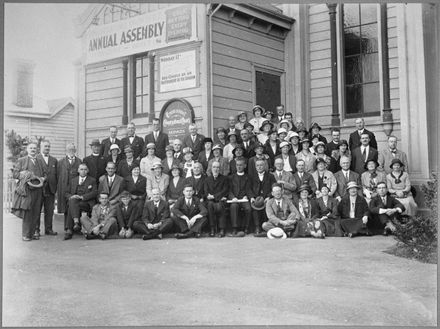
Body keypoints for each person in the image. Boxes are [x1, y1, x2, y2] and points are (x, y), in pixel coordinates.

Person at [12, 142, 47, 241]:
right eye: (31, 148)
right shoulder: (22, 160)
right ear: (27, 149)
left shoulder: (40, 161)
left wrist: (43, 178)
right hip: (27, 191)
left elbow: (45, 174)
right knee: (27, 212)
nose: (33, 150)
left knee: (36, 212)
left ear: (37, 150)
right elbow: (15, 174)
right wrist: (24, 175)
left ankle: (32, 234)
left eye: (34, 148)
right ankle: (26, 234)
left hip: (38, 190)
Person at [63, 163, 98, 240]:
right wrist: (71, 196)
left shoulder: (92, 180)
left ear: (88, 171)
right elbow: (66, 193)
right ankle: (75, 224)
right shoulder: (73, 180)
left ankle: (70, 228)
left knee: (72, 204)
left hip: (86, 202)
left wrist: (82, 197)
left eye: (85, 169)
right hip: (75, 202)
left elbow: (94, 192)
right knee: (72, 202)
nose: (83, 171)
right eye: (81, 169)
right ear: (78, 170)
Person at [248, 158, 277, 235]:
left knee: (268, 206)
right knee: (254, 208)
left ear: (264, 166)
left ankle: (265, 226)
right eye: (257, 165)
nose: (259, 167)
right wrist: (252, 197)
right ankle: (257, 227)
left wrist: (269, 196)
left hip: (266, 198)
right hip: (255, 198)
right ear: (255, 167)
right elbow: (248, 188)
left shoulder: (270, 176)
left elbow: (274, 188)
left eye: (261, 165)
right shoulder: (251, 176)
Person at [37, 139, 58, 236]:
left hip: (51, 189)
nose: (47, 148)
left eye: (48, 146)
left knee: (49, 210)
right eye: (45, 146)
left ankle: (49, 229)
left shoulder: (54, 160)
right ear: (41, 147)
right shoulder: (36, 158)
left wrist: (56, 188)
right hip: (39, 188)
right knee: (37, 210)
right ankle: (36, 229)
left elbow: (57, 175)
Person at [56, 143, 81, 224]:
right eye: (69, 149)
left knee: (76, 206)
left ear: (75, 151)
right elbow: (57, 175)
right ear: (66, 151)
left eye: (73, 149)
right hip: (64, 188)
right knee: (66, 207)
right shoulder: (60, 162)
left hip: (76, 188)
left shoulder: (79, 161)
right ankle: (67, 227)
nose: (71, 151)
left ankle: (77, 227)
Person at [204, 161, 229, 237]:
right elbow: (206, 191)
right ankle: (212, 228)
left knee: (221, 205)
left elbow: (225, 190)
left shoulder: (224, 179)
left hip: (220, 200)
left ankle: (222, 229)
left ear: (220, 169)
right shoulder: (207, 179)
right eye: (214, 167)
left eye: (217, 167)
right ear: (211, 168)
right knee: (210, 205)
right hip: (211, 200)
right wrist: (209, 196)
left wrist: (214, 196)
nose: (216, 169)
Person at [228, 158, 251, 235]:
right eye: (237, 165)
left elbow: (249, 189)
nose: (239, 167)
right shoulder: (231, 177)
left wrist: (246, 196)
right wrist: (232, 197)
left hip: (244, 199)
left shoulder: (248, 177)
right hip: (234, 199)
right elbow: (229, 190)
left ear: (245, 166)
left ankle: (246, 227)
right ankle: (235, 228)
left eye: (241, 165)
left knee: (248, 208)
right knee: (234, 207)